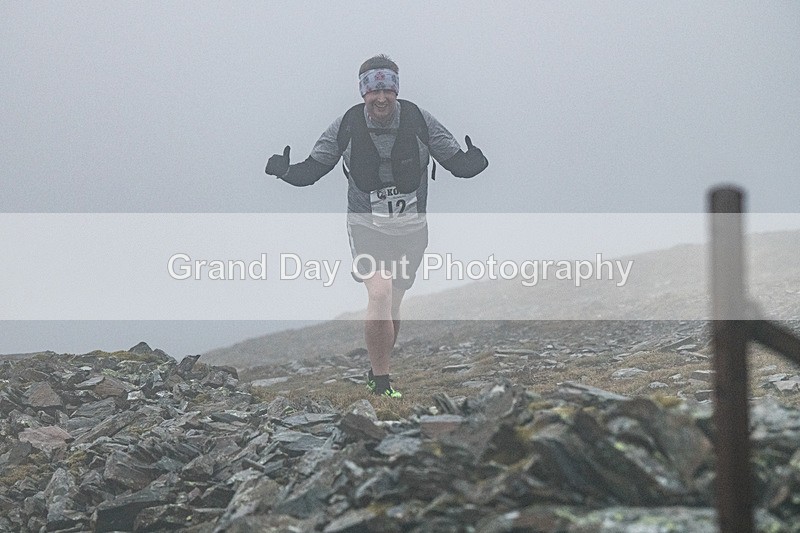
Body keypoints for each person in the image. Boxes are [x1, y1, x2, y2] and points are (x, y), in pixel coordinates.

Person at [265, 54, 488, 398]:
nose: (381, 98)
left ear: (396, 91)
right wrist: (285, 171)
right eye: (373, 91)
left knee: (392, 304)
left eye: (387, 90)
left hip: (411, 230)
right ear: (363, 93)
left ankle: (377, 369)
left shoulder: (417, 120)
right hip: (366, 227)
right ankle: (382, 383)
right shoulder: (348, 125)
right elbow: (312, 170)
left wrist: (476, 162)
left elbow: (456, 162)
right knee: (379, 292)